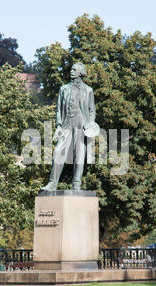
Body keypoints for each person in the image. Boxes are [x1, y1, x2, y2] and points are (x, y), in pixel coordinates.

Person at [41, 62, 97, 191]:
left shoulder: (88, 90)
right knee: (58, 153)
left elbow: (92, 111)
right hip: (66, 125)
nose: (71, 71)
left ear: (80, 73)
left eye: (74, 69)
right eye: (71, 69)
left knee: (79, 156)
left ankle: (76, 184)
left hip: (81, 126)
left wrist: (90, 125)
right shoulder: (64, 89)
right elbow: (59, 110)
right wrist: (59, 125)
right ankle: (52, 183)